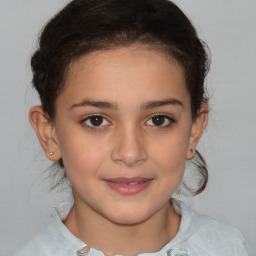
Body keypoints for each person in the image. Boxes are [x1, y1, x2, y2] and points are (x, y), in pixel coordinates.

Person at [16, 0, 248, 255]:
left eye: (158, 120)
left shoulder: (232, 249)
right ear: (49, 135)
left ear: (194, 130)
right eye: (96, 120)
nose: (130, 153)